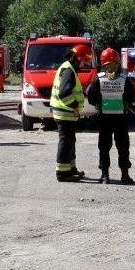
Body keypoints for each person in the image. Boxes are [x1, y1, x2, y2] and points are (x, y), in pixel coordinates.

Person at [86, 48, 134, 185]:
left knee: (104, 147)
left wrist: (100, 102)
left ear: (103, 64)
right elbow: (131, 98)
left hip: (104, 118)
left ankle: (105, 176)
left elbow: (91, 99)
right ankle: (125, 176)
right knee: (123, 147)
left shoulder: (98, 80)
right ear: (118, 63)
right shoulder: (125, 80)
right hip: (121, 118)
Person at [50, 44, 92, 182]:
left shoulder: (69, 68)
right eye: (85, 60)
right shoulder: (69, 70)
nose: (86, 63)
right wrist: (74, 106)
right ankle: (62, 173)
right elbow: (64, 93)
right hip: (65, 112)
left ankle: (71, 169)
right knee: (66, 142)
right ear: (79, 58)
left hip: (65, 113)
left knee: (69, 141)